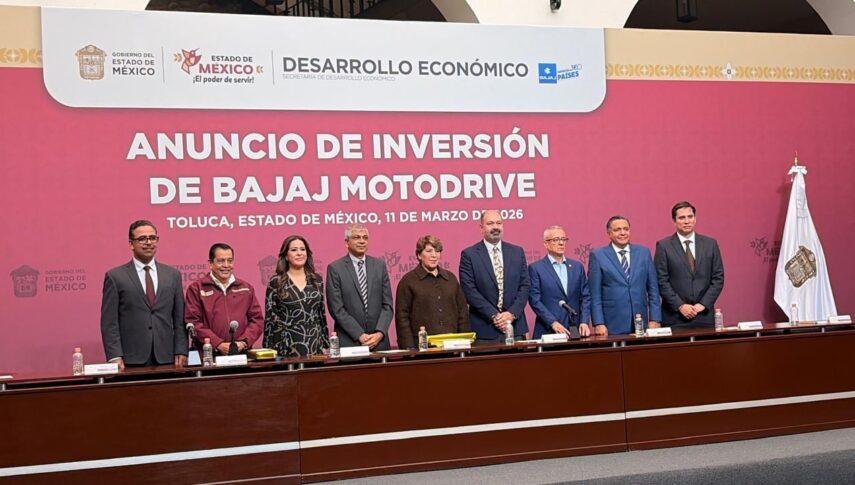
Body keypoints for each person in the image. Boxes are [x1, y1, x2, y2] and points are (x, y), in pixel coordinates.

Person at [100, 220, 187, 370]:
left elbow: (179, 319)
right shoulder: (115, 277)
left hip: (167, 356)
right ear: (131, 244)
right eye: (142, 239)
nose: (148, 242)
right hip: (130, 358)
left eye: (152, 238)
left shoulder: (173, 275)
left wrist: (181, 349)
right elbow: (109, 322)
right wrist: (114, 355)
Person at [459, 209, 530, 344]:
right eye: (490, 223)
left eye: (499, 223)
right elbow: (469, 291)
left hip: (515, 328)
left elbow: (525, 286)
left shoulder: (517, 252)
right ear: (481, 228)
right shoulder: (469, 255)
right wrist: (495, 316)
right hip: (484, 331)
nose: (495, 227)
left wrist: (511, 314)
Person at [654, 201, 725, 329]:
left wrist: (703, 304)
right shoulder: (663, 246)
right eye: (682, 218)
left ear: (695, 219)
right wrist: (680, 306)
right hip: (675, 317)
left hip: (704, 316)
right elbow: (661, 281)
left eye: (690, 217)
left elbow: (718, 278)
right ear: (674, 221)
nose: (687, 221)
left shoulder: (710, 244)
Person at [184, 243, 264, 355]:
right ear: (210, 264)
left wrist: (243, 342)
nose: (226, 265)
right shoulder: (196, 289)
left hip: (241, 354)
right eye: (221, 261)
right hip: (209, 355)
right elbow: (193, 322)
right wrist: (217, 344)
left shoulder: (246, 288)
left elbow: (257, 320)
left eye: (229, 261)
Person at [588, 216, 662, 336]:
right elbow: (595, 294)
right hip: (612, 323)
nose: (623, 233)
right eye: (617, 230)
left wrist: (655, 318)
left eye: (626, 229)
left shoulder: (643, 253)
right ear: (609, 233)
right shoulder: (598, 255)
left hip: (641, 322)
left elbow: (653, 289)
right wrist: (598, 323)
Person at [325, 224, 394, 350]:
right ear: (347, 242)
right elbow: (336, 309)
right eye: (356, 237)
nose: (362, 241)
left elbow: (387, 305)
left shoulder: (379, 265)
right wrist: (359, 335)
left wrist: (379, 333)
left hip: (379, 342)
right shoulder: (335, 268)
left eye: (365, 238)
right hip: (350, 341)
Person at [395, 235, 470, 349]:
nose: (434, 255)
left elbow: (463, 312)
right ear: (419, 255)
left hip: (452, 346)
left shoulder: (450, 279)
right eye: (429, 251)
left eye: (437, 251)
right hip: (421, 348)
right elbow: (402, 317)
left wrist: (464, 342)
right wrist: (409, 348)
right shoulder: (408, 281)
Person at [263, 235, 329, 357]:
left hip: (313, 341)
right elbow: (270, 318)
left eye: (302, 249)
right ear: (286, 256)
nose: (299, 253)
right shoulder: (276, 281)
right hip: (286, 343)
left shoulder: (316, 280)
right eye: (294, 250)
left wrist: (325, 343)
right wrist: (267, 349)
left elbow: (321, 313)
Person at [528, 225, 592, 339]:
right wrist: (553, 322)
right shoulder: (536, 268)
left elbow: (586, 297)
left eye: (563, 239)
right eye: (556, 240)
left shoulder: (577, 267)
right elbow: (535, 300)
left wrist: (584, 321)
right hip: (549, 330)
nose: (561, 243)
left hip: (576, 330)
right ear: (546, 244)